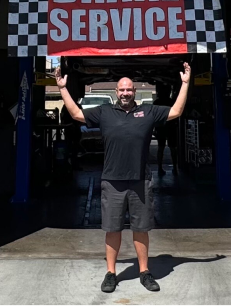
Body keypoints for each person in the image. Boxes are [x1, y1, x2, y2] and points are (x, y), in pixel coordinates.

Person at [55, 62, 191, 294]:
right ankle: (111, 273)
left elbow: (176, 111)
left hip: (141, 180)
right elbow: (76, 114)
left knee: (141, 229)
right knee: (112, 229)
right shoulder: (104, 112)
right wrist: (62, 89)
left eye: (129, 89)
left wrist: (185, 84)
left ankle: (144, 271)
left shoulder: (148, 112)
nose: (125, 92)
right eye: (122, 89)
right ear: (115, 92)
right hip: (112, 181)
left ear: (135, 92)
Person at [151, 84, 180, 176]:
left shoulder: (157, 102)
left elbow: (153, 117)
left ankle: (160, 168)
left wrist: (154, 128)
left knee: (161, 148)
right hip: (171, 127)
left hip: (160, 127)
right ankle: (175, 167)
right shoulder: (171, 101)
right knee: (173, 148)